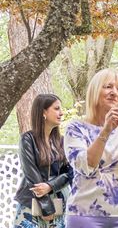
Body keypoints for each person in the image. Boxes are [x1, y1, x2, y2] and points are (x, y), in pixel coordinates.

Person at [64, 69, 118, 227]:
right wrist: (106, 130)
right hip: (85, 214)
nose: (114, 93)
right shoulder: (76, 127)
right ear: (95, 91)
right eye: (108, 86)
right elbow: (86, 165)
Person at [14, 94, 72, 228]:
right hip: (31, 206)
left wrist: (50, 186)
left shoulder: (62, 141)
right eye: (57, 109)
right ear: (43, 112)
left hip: (58, 204)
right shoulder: (27, 139)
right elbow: (32, 177)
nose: (61, 113)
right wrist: (47, 207)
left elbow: (69, 173)